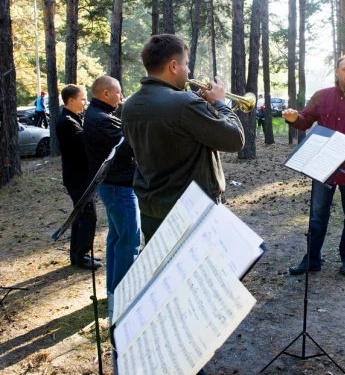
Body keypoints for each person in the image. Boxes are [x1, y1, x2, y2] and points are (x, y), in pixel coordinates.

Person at [121, 34, 245, 243]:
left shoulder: (130, 104)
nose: (188, 71)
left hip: (152, 210)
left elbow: (169, 138)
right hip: (191, 211)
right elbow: (235, 139)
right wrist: (220, 103)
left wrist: (198, 105)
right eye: (186, 64)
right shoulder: (184, 103)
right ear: (173, 66)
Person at [282, 54, 345, 277]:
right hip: (324, 168)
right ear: (337, 71)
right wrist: (293, 119)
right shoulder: (321, 96)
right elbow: (305, 119)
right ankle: (312, 259)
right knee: (317, 216)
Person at [83, 75, 141, 309]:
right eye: (118, 92)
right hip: (119, 187)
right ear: (105, 94)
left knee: (117, 239)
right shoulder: (102, 119)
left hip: (115, 185)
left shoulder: (100, 114)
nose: (121, 96)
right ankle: (124, 299)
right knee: (129, 241)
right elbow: (128, 146)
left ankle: (113, 291)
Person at [56, 84, 100, 269]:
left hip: (81, 176)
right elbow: (85, 142)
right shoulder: (67, 122)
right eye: (82, 99)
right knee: (88, 216)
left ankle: (77, 254)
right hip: (78, 178)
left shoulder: (74, 118)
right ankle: (81, 255)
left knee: (81, 215)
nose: (85, 102)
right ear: (71, 100)